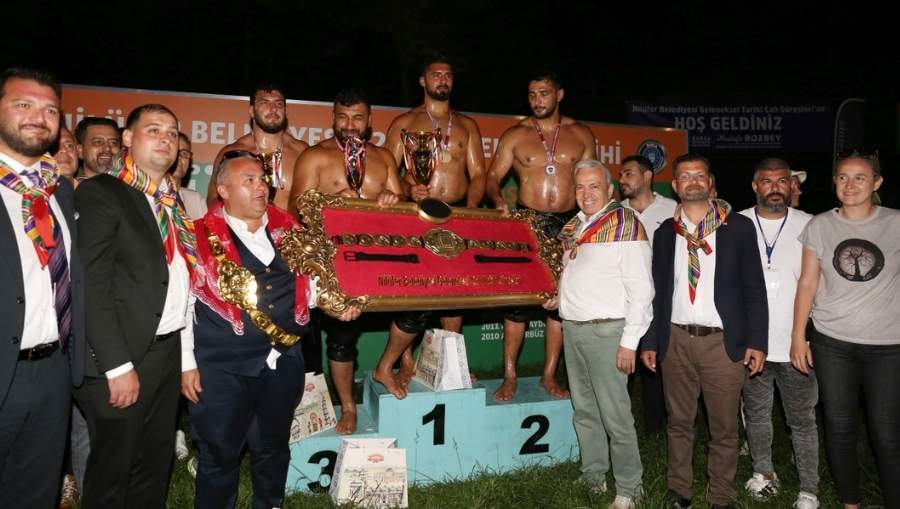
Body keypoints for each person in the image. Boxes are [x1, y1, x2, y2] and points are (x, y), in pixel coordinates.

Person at [182, 150, 360, 508]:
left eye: (262, 179)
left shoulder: (292, 232)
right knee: (219, 453)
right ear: (223, 190)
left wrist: (338, 305)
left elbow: (311, 292)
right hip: (221, 366)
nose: (260, 187)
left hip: (283, 362)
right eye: (248, 181)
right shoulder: (196, 237)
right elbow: (183, 304)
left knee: (274, 448)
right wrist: (186, 363)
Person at [75, 103, 196, 508]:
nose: (166, 138)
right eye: (154, 130)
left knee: (153, 467)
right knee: (113, 474)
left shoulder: (170, 202)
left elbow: (178, 281)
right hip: (121, 357)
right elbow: (91, 285)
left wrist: (185, 359)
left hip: (166, 351)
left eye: (172, 132)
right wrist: (117, 365)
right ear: (127, 139)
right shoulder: (101, 192)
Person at [640, 153, 768, 509]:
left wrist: (757, 341)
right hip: (676, 340)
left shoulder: (738, 228)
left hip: (723, 344)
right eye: (685, 176)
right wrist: (651, 340)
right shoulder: (665, 233)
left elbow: (754, 288)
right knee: (679, 422)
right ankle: (679, 490)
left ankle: (721, 496)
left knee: (724, 427)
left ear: (711, 183)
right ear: (675, 185)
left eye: (700, 175)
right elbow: (657, 292)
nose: (693, 181)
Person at [374, 53, 488, 398]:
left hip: (456, 215)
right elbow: (385, 171)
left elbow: (479, 174)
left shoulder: (467, 126)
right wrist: (408, 189)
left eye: (448, 75)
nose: (442, 80)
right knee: (415, 292)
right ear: (423, 81)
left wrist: (471, 212)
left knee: (455, 293)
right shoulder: (405, 122)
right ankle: (403, 362)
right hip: (417, 215)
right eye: (436, 74)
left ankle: (450, 363)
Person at [791, 153, 900, 509]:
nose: (850, 185)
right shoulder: (820, 225)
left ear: (877, 183)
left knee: (886, 433)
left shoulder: (896, 223)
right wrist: (798, 337)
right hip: (832, 343)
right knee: (839, 428)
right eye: (842, 177)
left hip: (888, 346)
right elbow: (807, 283)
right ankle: (850, 503)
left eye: (860, 178)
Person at [290, 88, 401, 431]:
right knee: (342, 336)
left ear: (369, 121)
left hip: (380, 255)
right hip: (334, 260)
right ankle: (348, 407)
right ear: (333, 118)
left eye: (357, 117)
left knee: (417, 310)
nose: (349, 124)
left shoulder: (384, 158)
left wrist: (393, 198)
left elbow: (404, 206)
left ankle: (387, 366)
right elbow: (294, 210)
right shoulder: (315, 156)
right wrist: (329, 202)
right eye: (342, 117)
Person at [0, 66, 86, 509]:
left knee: (35, 494)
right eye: (24, 104)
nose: (39, 117)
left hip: (54, 373)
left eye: (50, 110)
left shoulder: (60, 193)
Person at [485, 70, 597, 401]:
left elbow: (594, 181)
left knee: (558, 305)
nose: (537, 100)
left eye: (544, 93)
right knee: (517, 305)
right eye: (532, 94)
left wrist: (593, 221)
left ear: (559, 95)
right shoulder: (515, 135)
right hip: (527, 222)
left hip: (569, 224)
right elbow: (492, 176)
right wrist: (497, 198)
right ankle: (509, 375)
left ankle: (549, 375)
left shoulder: (581, 133)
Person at [547, 160, 651, 509]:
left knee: (615, 416)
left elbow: (642, 291)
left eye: (594, 186)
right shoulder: (576, 226)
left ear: (609, 190)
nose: (586, 193)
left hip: (608, 332)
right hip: (573, 329)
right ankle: (594, 474)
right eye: (580, 187)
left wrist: (629, 343)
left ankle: (630, 488)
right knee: (585, 411)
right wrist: (558, 298)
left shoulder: (625, 223)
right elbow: (576, 276)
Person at [738, 158, 818, 508]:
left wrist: (807, 336)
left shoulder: (810, 224)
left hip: (796, 344)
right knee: (756, 416)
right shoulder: (736, 223)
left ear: (791, 186)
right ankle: (764, 474)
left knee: (802, 420)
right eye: (767, 181)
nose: (775, 188)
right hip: (753, 344)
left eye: (782, 181)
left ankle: (809, 489)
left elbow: (818, 285)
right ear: (755, 186)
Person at [618, 154, 678, 435]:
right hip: (624, 302)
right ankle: (620, 425)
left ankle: (656, 428)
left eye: (628, 173)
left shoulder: (672, 210)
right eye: (621, 175)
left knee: (658, 365)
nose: (622, 180)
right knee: (623, 364)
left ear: (647, 176)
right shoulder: (616, 212)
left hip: (662, 301)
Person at [207, 83, 308, 211]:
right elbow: (213, 202)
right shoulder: (232, 153)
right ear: (251, 111)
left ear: (286, 111)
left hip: (291, 224)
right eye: (264, 103)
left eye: (279, 104)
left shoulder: (301, 151)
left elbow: (312, 203)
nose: (273, 109)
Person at [171, 132, 206, 219]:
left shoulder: (196, 200)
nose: (179, 157)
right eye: (174, 152)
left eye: (184, 153)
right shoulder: (149, 196)